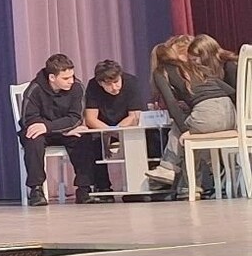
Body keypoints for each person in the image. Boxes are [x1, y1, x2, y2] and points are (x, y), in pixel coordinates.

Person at [20, 53, 99, 206]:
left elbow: (75, 118)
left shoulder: (77, 87)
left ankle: (84, 188)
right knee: (33, 139)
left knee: (83, 137)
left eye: (72, 76)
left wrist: (51, 127)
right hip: (42, 132)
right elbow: (29, 119)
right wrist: (55, 128)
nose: (71, 81)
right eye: (66, 78)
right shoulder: (34, 89)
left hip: (62, 130)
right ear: (52, 77)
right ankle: (36, 189)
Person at [82, 60, 144, 196]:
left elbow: (134, 116)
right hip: (102, 127)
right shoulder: (93, 86)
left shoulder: (131, 82)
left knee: (140, 140)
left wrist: (117, 131)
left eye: (116, 82)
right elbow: (90, 118)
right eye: (109, 84)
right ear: (100, 83)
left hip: (127, 126)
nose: (114, 87)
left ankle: (138, 187)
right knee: (92, 143)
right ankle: (103, 187)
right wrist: (108, 132)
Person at [145, 35, 194, 188]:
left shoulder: (166, 71)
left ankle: (169, 168)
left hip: (206, 113)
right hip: (222, 110)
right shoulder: (192, 70)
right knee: (178, 128)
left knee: (179, 128)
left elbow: (171, 103)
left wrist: (184, 128)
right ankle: (183, 181)